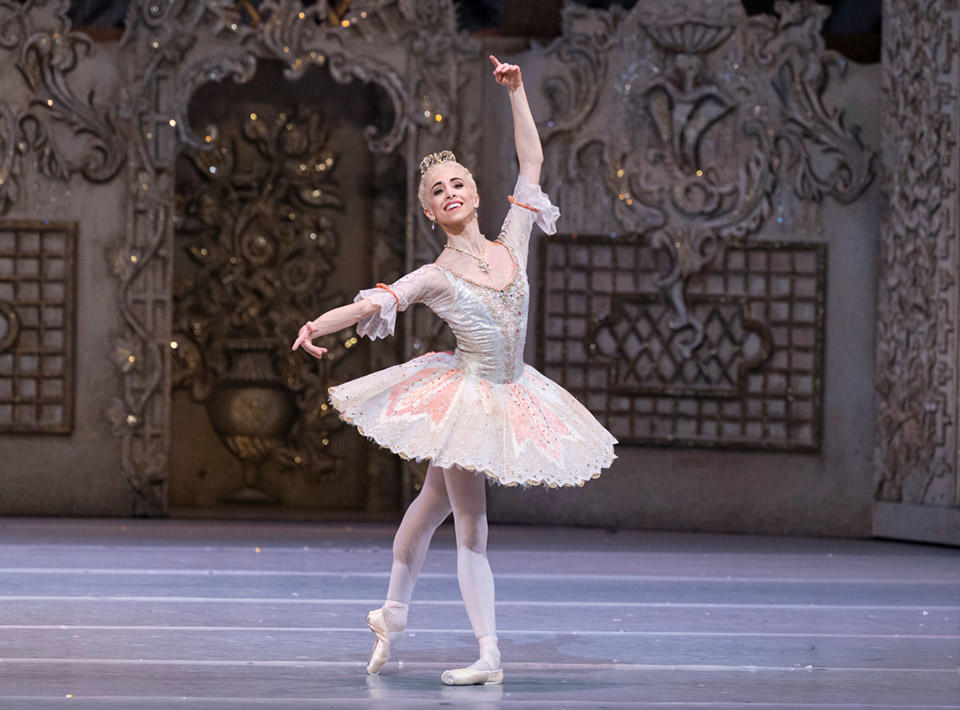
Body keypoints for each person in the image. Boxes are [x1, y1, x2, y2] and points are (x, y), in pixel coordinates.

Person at [292, 55, 617, 686]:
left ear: (473, 188)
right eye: (437, 191)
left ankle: (392, 611)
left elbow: (532, 164)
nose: (450, 192)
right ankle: (490, 654)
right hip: (467, 396)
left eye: (457, 181)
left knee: (433, 500)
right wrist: (315, 325)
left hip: (512, 388)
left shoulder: (512, 240)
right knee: (471, 521)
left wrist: (517, 92)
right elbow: (370, 304)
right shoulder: (435, 276)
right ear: (430, 213)